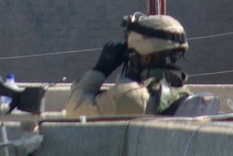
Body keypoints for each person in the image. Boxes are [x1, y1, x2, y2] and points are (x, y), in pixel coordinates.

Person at [65, 12, 198, 117]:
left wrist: (100, 69)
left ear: (146, 58)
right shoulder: (186, 96)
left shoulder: (130, 96)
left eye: (132, 55)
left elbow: (74, 110)